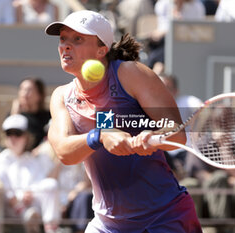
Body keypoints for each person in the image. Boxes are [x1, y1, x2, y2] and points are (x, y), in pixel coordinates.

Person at [45, 10, 202, 233]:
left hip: (164, 217)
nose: (66, 46)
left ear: (102, 50)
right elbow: (64, 152)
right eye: (63, 39)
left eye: (77, 39)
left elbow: (177, 134)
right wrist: (99, 136)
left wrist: (152, 136)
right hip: (107, 225)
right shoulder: (62, 96)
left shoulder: (130, 74)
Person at [0, 114, 60, 233]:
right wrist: (20, 196)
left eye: (18, 134)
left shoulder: (34, 160)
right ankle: (23, 213)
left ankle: (51, 229)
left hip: (33, 209)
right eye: (9, 134)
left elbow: (40, 183)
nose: (13, 138)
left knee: (50, 184)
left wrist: (30, 193)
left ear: (26, 137)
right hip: (9, 210)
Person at [147, 0, 206, 74]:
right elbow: (162, 29)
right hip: (164, 42)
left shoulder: (197, 6)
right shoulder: (164, 4)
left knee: (161, 58)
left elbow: (197, 31)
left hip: (187, 44)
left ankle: (157, 69)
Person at [10, 77, 51, 150]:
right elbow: (10, 138)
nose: (24, 94)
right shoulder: (13, 115)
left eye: (28, 90)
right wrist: (15, 115)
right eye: (22, 89)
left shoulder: (48, 116)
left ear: (39, 95)